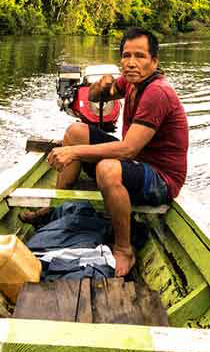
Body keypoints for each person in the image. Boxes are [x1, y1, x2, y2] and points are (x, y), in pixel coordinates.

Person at [43, 27, 189, 277]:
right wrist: (102, 86)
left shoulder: (157, 92)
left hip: (161, 180)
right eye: (126, 55)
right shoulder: (131, 82)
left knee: (107, 169)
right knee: (76, 132)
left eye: (140, 56)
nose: (132, 63)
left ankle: (124, 249)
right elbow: (98, 96)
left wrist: (74, 153)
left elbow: (128, 148)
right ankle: (57, 206)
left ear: (154, 61)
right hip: (136, 163)